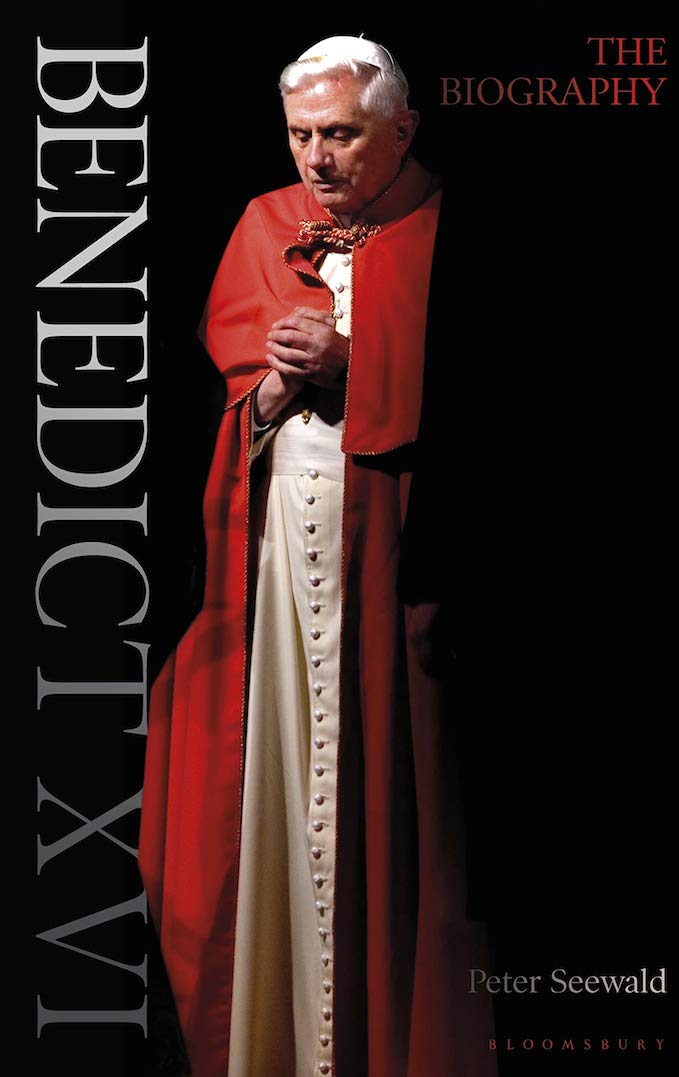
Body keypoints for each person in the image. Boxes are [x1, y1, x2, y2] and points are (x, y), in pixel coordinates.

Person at [139, 35, 497, 1077]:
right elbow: (223, 395)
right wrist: (273, 387)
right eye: (300, 135)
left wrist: (354, 362)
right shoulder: (265, 221)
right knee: (269, 786)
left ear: (402, 130)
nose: (317, 158)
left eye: (339, 134)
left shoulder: (447, 229)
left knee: (390, 813)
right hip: (271, 574)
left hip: (391, 563)